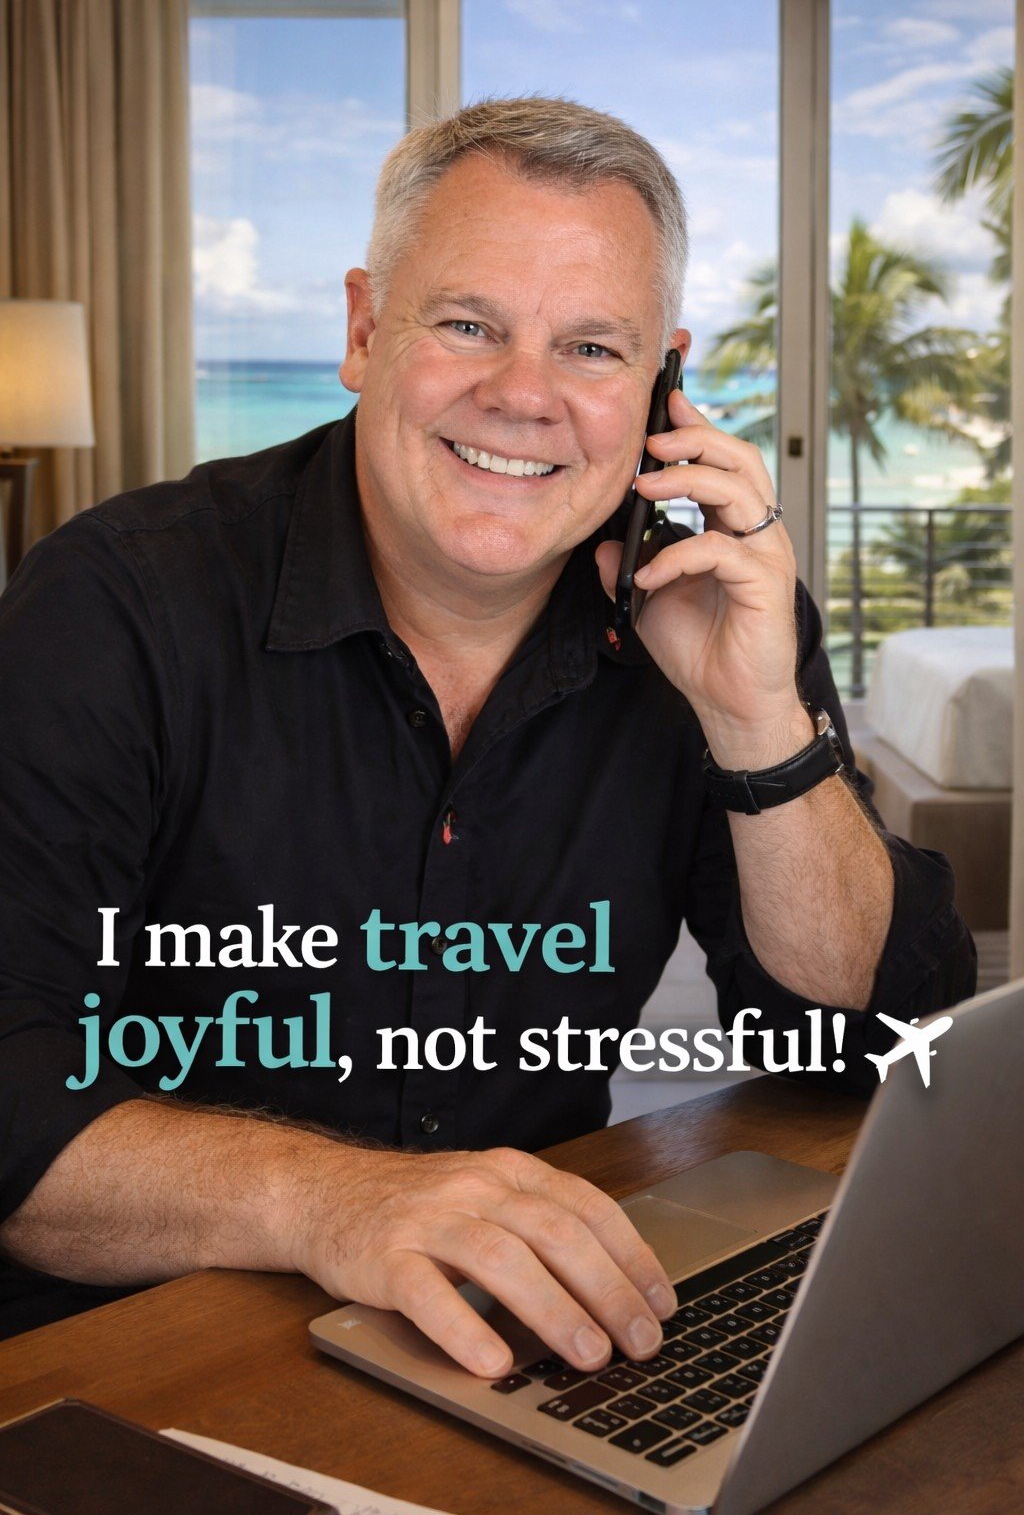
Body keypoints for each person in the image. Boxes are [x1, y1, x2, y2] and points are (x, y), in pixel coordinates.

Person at [0, 99, 974, 1360]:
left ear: (660, 385)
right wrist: (334, 1201)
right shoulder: (114, 604)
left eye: (590, 349)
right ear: (363, 329)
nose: (524, 396)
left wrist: (756, 724)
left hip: (526, 1332)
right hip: (140, 1350)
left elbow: (862, 1049)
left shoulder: (705, 608)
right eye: (467, 325)